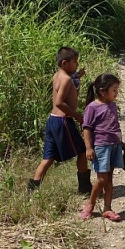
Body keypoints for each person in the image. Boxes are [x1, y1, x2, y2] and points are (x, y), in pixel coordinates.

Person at [26, 46, 92, 194]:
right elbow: (60, 102)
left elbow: (71, 93)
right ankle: (85, 188)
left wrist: (77, 78)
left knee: (48, 157)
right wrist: (77, 116)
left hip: (52, 121)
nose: (77, 65)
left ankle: (32, 188)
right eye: (75, 62)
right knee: (82, 151)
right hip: (63, 122)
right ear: (64, 63)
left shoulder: (58, 76)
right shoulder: (67, 79)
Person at [80, 74, 124, 222]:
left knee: (109, 178)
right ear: (102, 91)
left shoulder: (111, 104)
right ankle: (90, 204)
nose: (116, 93)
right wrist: (88, 147)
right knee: (101, 179)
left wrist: (119, 140)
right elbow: (86, 128)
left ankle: (107, 208)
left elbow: (114, 124)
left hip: (114, 145)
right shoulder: (92, 107)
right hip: (101, 146)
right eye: (114, 90)